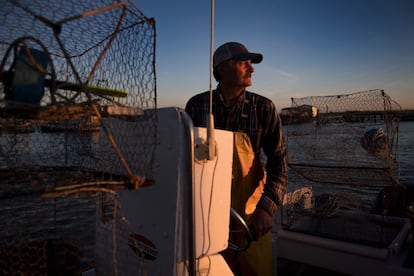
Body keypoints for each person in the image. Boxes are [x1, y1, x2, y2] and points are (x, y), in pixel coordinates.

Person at [185, 42, 288, 275]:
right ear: (221, 69)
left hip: (252, 213)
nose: (252, 69)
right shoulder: (197, 105)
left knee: (256, 268)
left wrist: (267, 207)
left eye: (251, 64)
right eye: (244, 63)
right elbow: (185, 161)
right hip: (208, 210)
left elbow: (279, 163)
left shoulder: (264, 108)